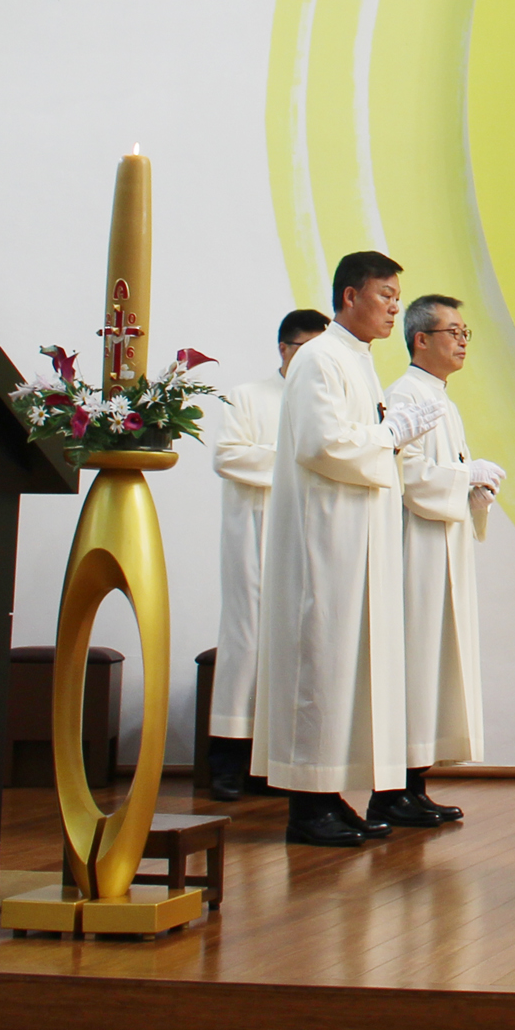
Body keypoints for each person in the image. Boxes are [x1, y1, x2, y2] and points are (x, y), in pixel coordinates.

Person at [254, 250, 443, 847]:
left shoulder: (356, 360)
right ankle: (307, 807)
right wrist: (391, 433)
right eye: (385, 295)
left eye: (396, 297)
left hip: (358, 537)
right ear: (349, 297)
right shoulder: (319, 357)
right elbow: (321, 444)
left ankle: (330, 794)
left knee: (346, 668)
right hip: (325, 539)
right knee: (321, 661)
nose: (393, 307)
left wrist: (392, 437)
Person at [378, 293, 506, 829]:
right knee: (414, 666)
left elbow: (442, 472)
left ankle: (415, 784)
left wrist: (473, 491)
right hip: (416, 551)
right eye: (453, 332)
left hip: (444, 547)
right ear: (421, 339)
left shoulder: (442, 400)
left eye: (465, 332)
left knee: (434, 666)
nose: (462, 342)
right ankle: (392, 791)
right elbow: (403, 474)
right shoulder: (404, 394)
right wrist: (462, 476)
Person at [204, 305, 329, 802]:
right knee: (247, 638)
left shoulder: (326, 401)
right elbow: (229, 455)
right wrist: (297, 461)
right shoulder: (248, 396)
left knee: (298, 644)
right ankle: (228, 760)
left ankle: (275, 763)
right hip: (255, 533)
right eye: (306, 350)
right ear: (284, 348)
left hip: (307, 533)